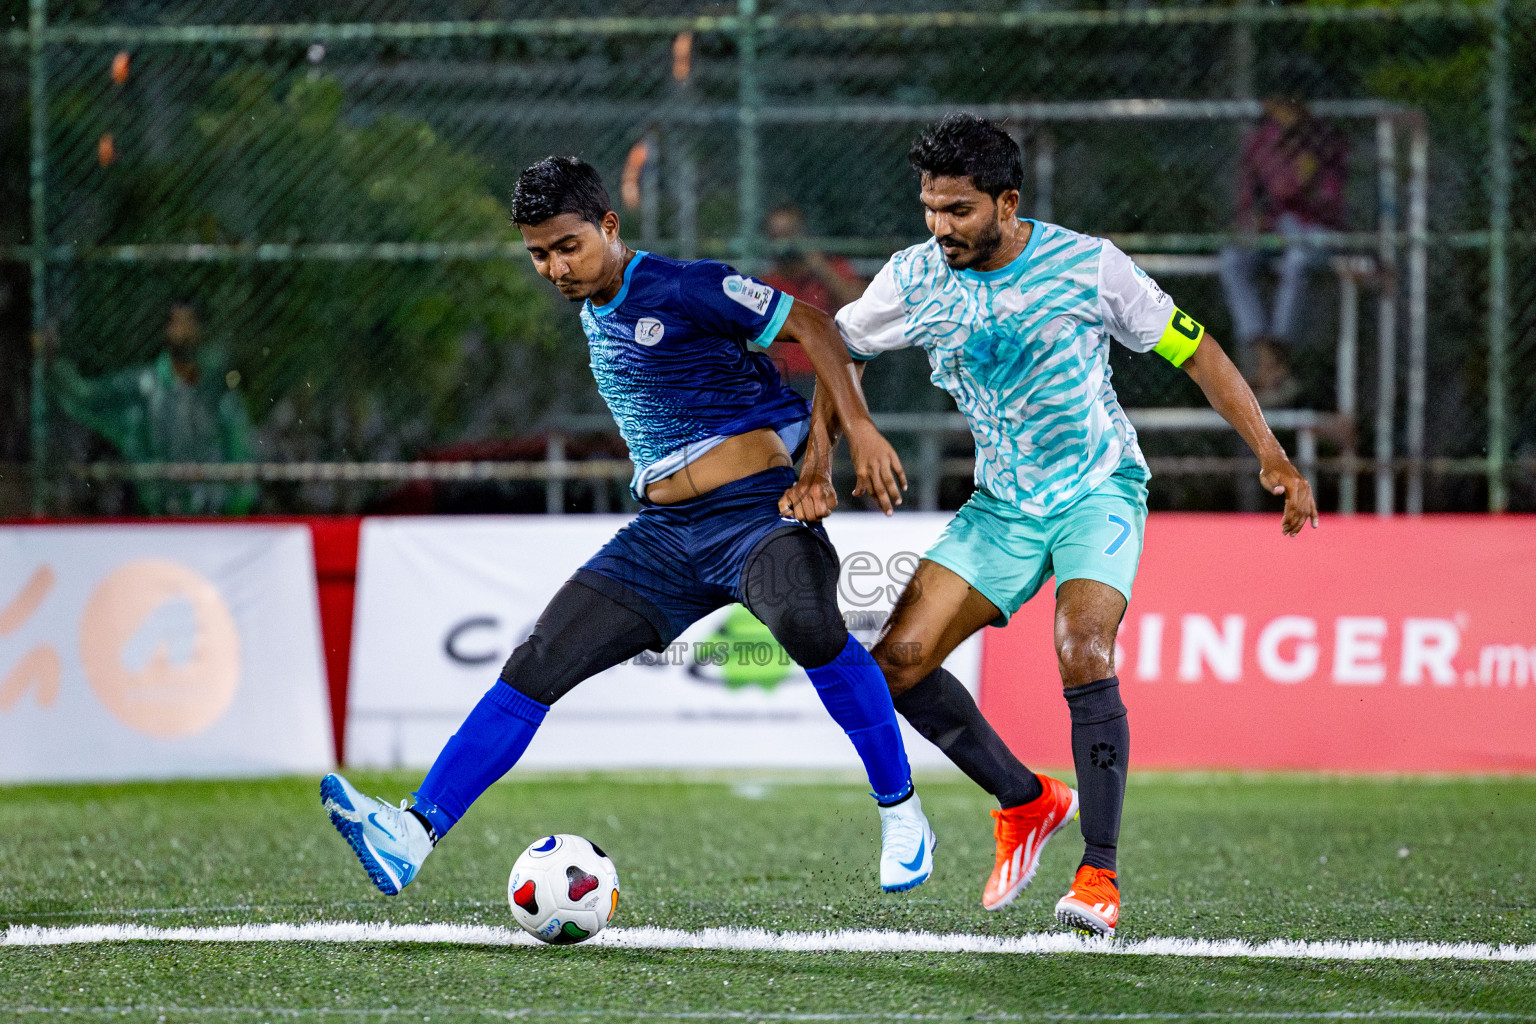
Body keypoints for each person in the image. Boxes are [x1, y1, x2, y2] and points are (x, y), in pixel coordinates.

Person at [321, 157, 935, 897]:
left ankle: (902, 813)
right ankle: (412, 836)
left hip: (756, 517)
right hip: (665, 538)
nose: (553, 267)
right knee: (536, 664)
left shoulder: (683, 286)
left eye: (567, 246)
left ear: (609, 226)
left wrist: (845, 441)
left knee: (809, 627)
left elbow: (816, 327)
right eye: (538, 254)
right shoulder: (596, 310)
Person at [783, 114, 1318, 937]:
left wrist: (1272, 456)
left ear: (1008, 201)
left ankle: (1098, 875)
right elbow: (834, 346)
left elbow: (1198, 349)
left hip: (1096, 491)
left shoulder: (1088, 264)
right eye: (930, 207)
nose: (940, 227)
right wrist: (821, 455)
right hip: (1000, 505)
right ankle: (1026, 801)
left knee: (1083, 651)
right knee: (895, 665)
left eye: (959, 210)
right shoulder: (914, 277)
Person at [40, 300, 256, 515]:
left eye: (189, 323)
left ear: (201, 330)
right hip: (154, 512)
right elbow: (86, 397)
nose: (183, 332)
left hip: (213, 514)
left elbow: (239, 453)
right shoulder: (145, 386)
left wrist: (235, 509)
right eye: (176, 323)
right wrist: (52, 362)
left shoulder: (216, 390)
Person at [1218, 97, 1349, 406]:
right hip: (1277, 229)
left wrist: (1305, 176)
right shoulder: (1263, 141)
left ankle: (1277, 362)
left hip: (1314, 229)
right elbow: (1250, 195)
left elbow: (1322, 201)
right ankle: (1267, 359)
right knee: (1234, 259)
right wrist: (1256, 219)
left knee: (1298, 260)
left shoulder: (1323, 142)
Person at [760, 204, 867, 394]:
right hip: (784, 379)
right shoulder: (769, 282)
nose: (785, 243)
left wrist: (819, 266)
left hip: (829, 374)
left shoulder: (829, 270)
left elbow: (861, 306)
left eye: (790, 234)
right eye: (777, 236)